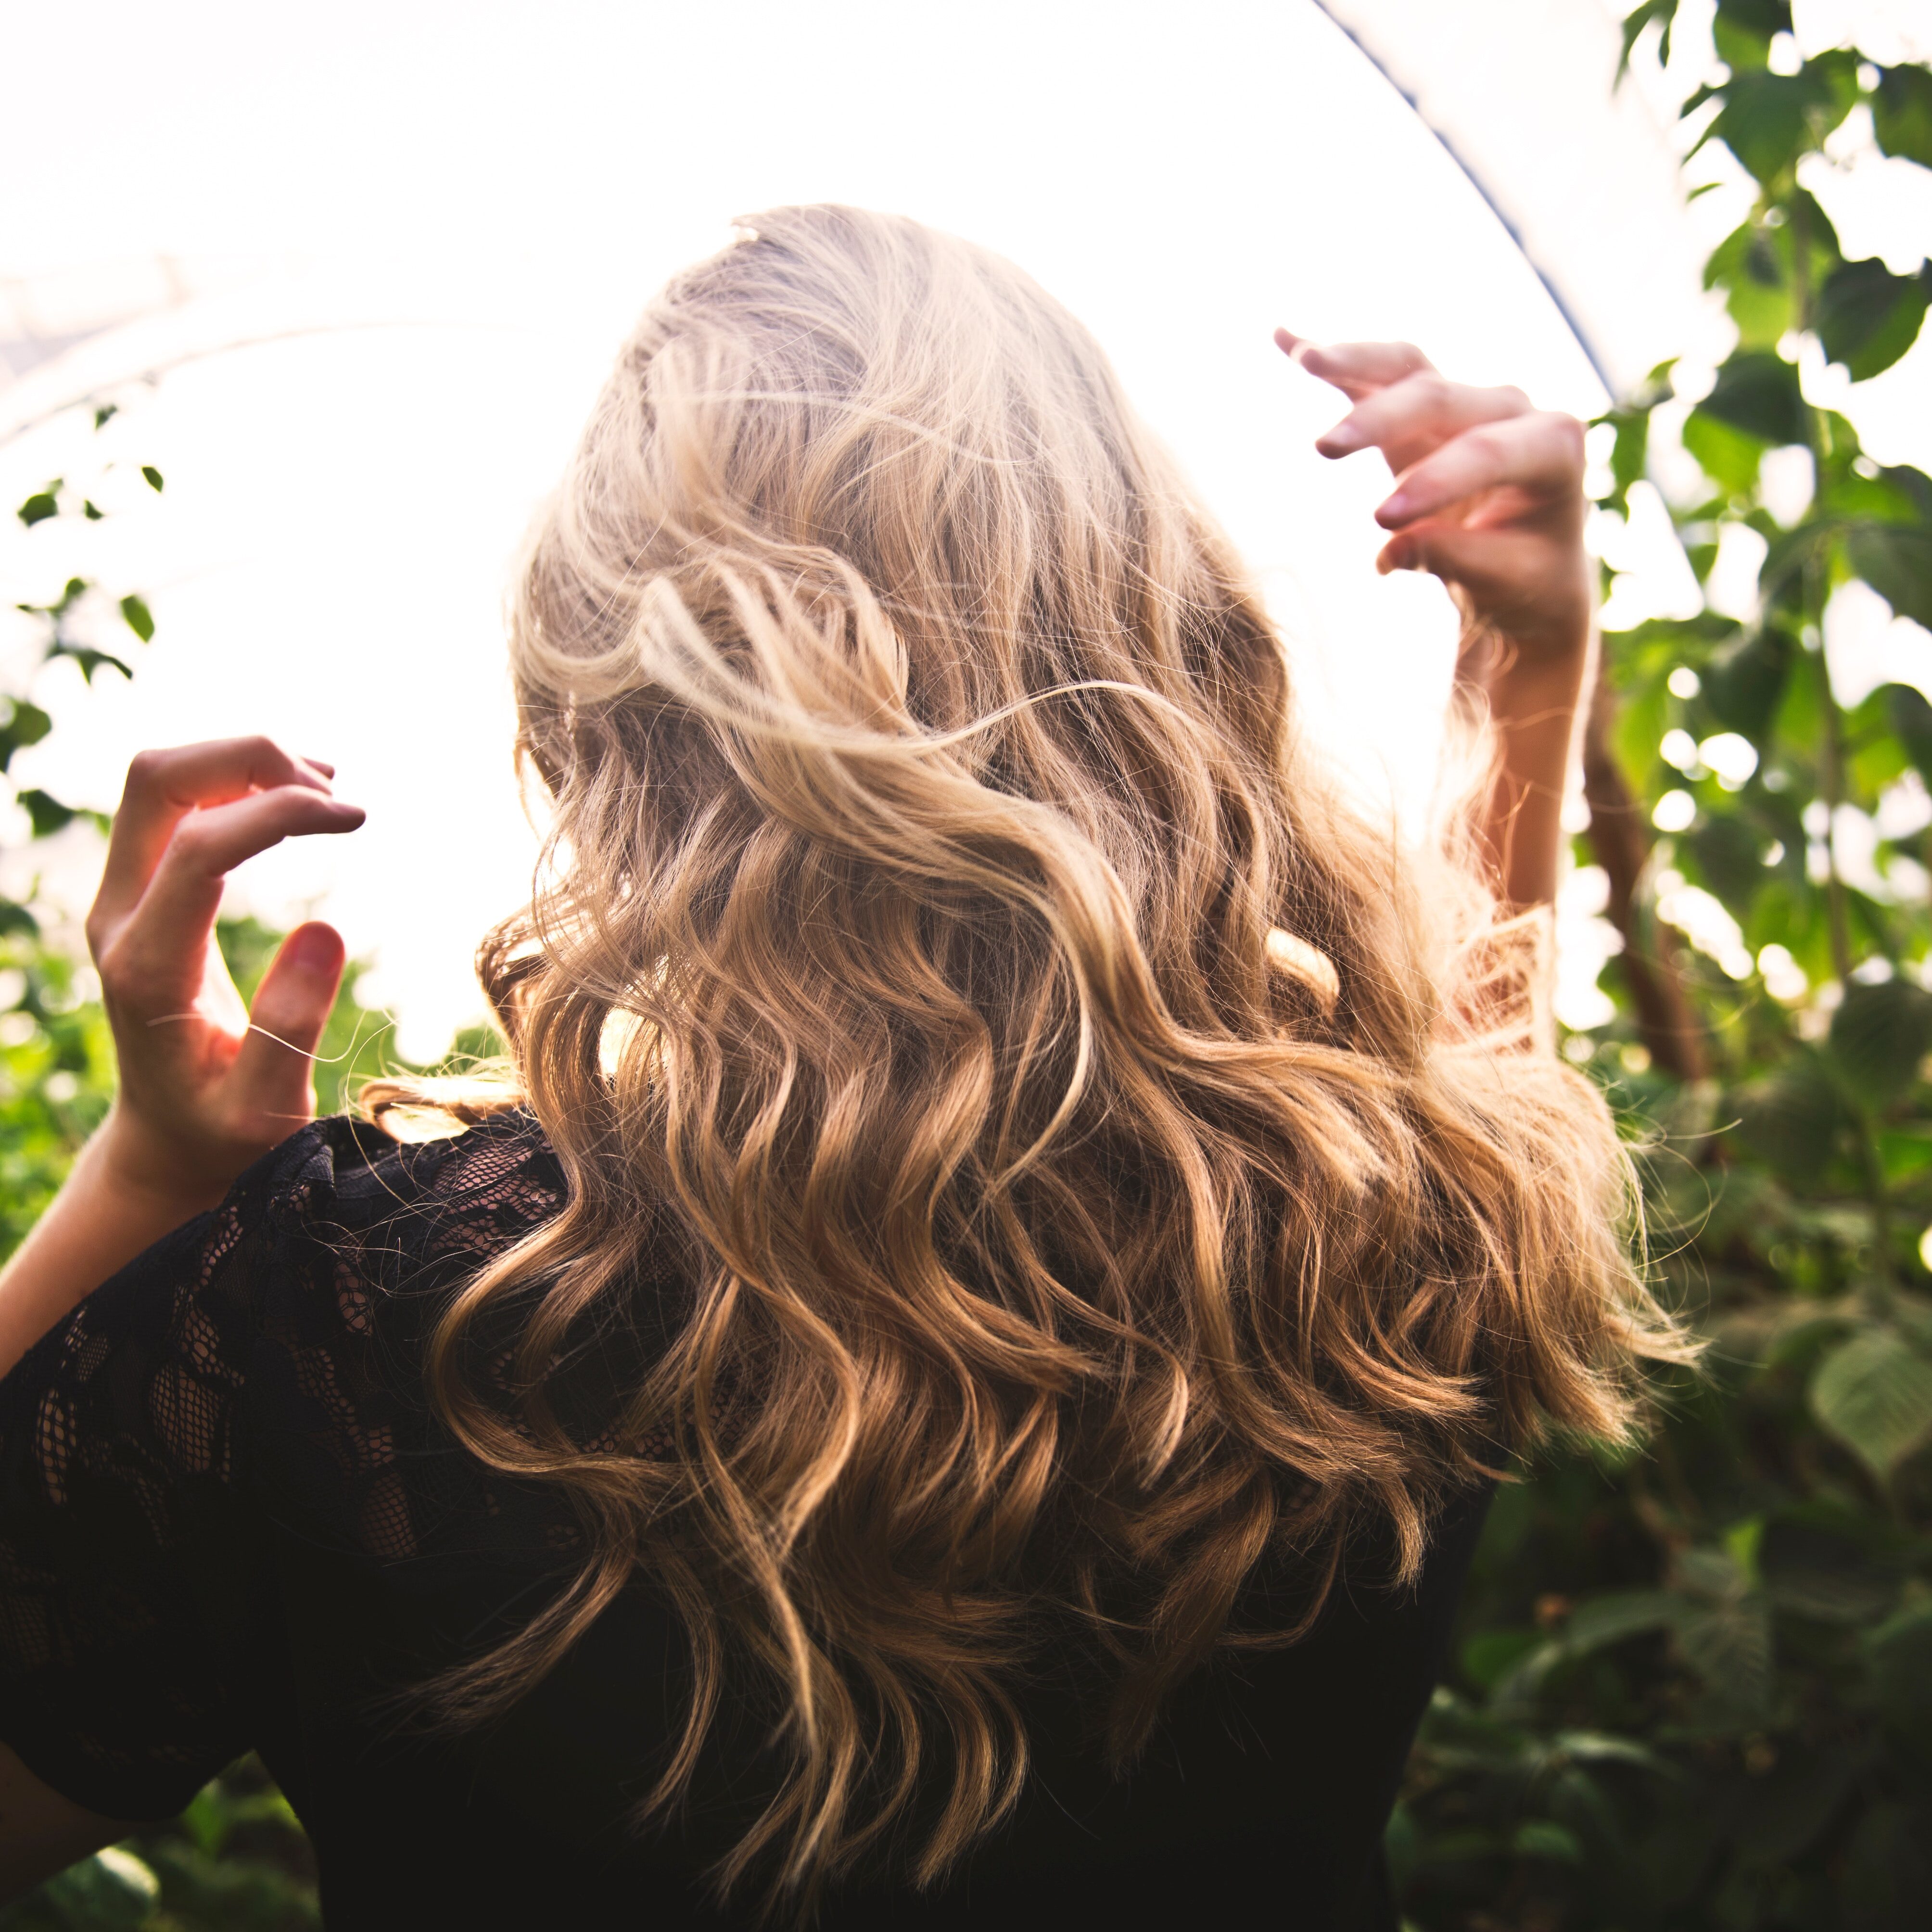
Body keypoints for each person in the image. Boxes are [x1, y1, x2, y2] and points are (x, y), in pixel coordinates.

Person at [0, 206, 1677, 1929]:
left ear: (606, 705)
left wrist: (148, 1185)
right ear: (1153, 624)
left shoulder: (352, 1322)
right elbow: (1471, 1087)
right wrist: (1526, 668)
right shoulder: (1396, 1229)